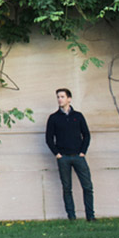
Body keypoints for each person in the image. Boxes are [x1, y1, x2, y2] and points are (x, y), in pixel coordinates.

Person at [45, 87, 95, 221]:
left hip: (78, 157)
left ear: (69, 99)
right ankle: (71, 217)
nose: (59, 99)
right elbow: (49, 139)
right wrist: (57, 154)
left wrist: (83, 152)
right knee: (67, 188)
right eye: (58, 97)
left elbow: (86, 135)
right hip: (63, 158)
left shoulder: (78, 116)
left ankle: (90, 216)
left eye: (62, 96)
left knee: (87, 187)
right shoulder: (53, 118)